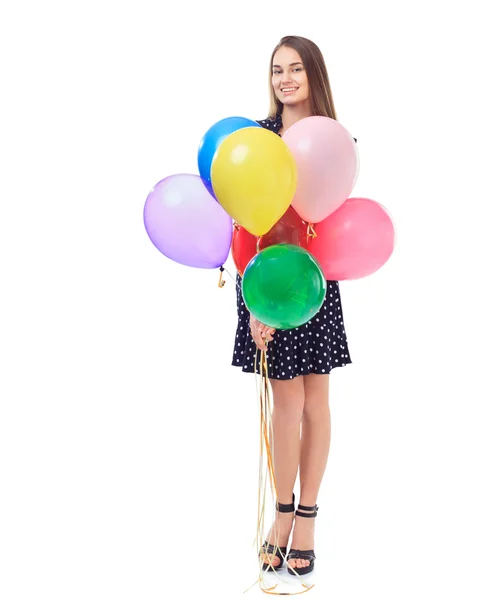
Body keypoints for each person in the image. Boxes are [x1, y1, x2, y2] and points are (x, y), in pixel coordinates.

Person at [231, 35, 355, 576]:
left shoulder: (334, 137)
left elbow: (329, 219)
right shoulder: (258, 139)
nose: (285, 79)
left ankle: (307, 517)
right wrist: (257, 302)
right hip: (267, 287)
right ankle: (282, 515)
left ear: (314, 76)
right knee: (286, 403)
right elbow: (244, 220)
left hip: (316, 283)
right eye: (278, 69)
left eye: (296, 69)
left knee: (316, 402)